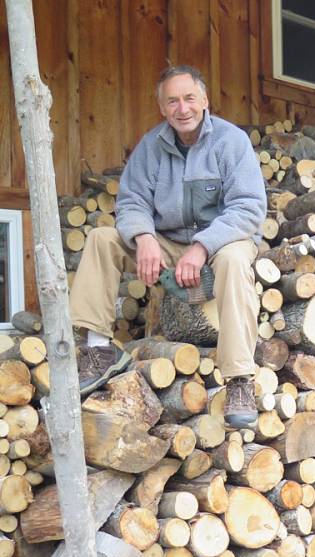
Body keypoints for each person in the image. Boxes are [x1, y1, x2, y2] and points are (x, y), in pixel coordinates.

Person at [70, 65, 267, 428]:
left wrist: (202, 247)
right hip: (168, 242)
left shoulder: (230, 141)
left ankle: (240, 379)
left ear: (204, 100)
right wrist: (143, 237)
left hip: (223, 243)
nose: (183, 108)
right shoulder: (151, 147)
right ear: (162, 108)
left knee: (237, 260)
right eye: (172, 101)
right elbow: (131, 202)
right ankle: (97, 350)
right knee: (101, 238)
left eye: (189, 98)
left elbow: (249, 207)